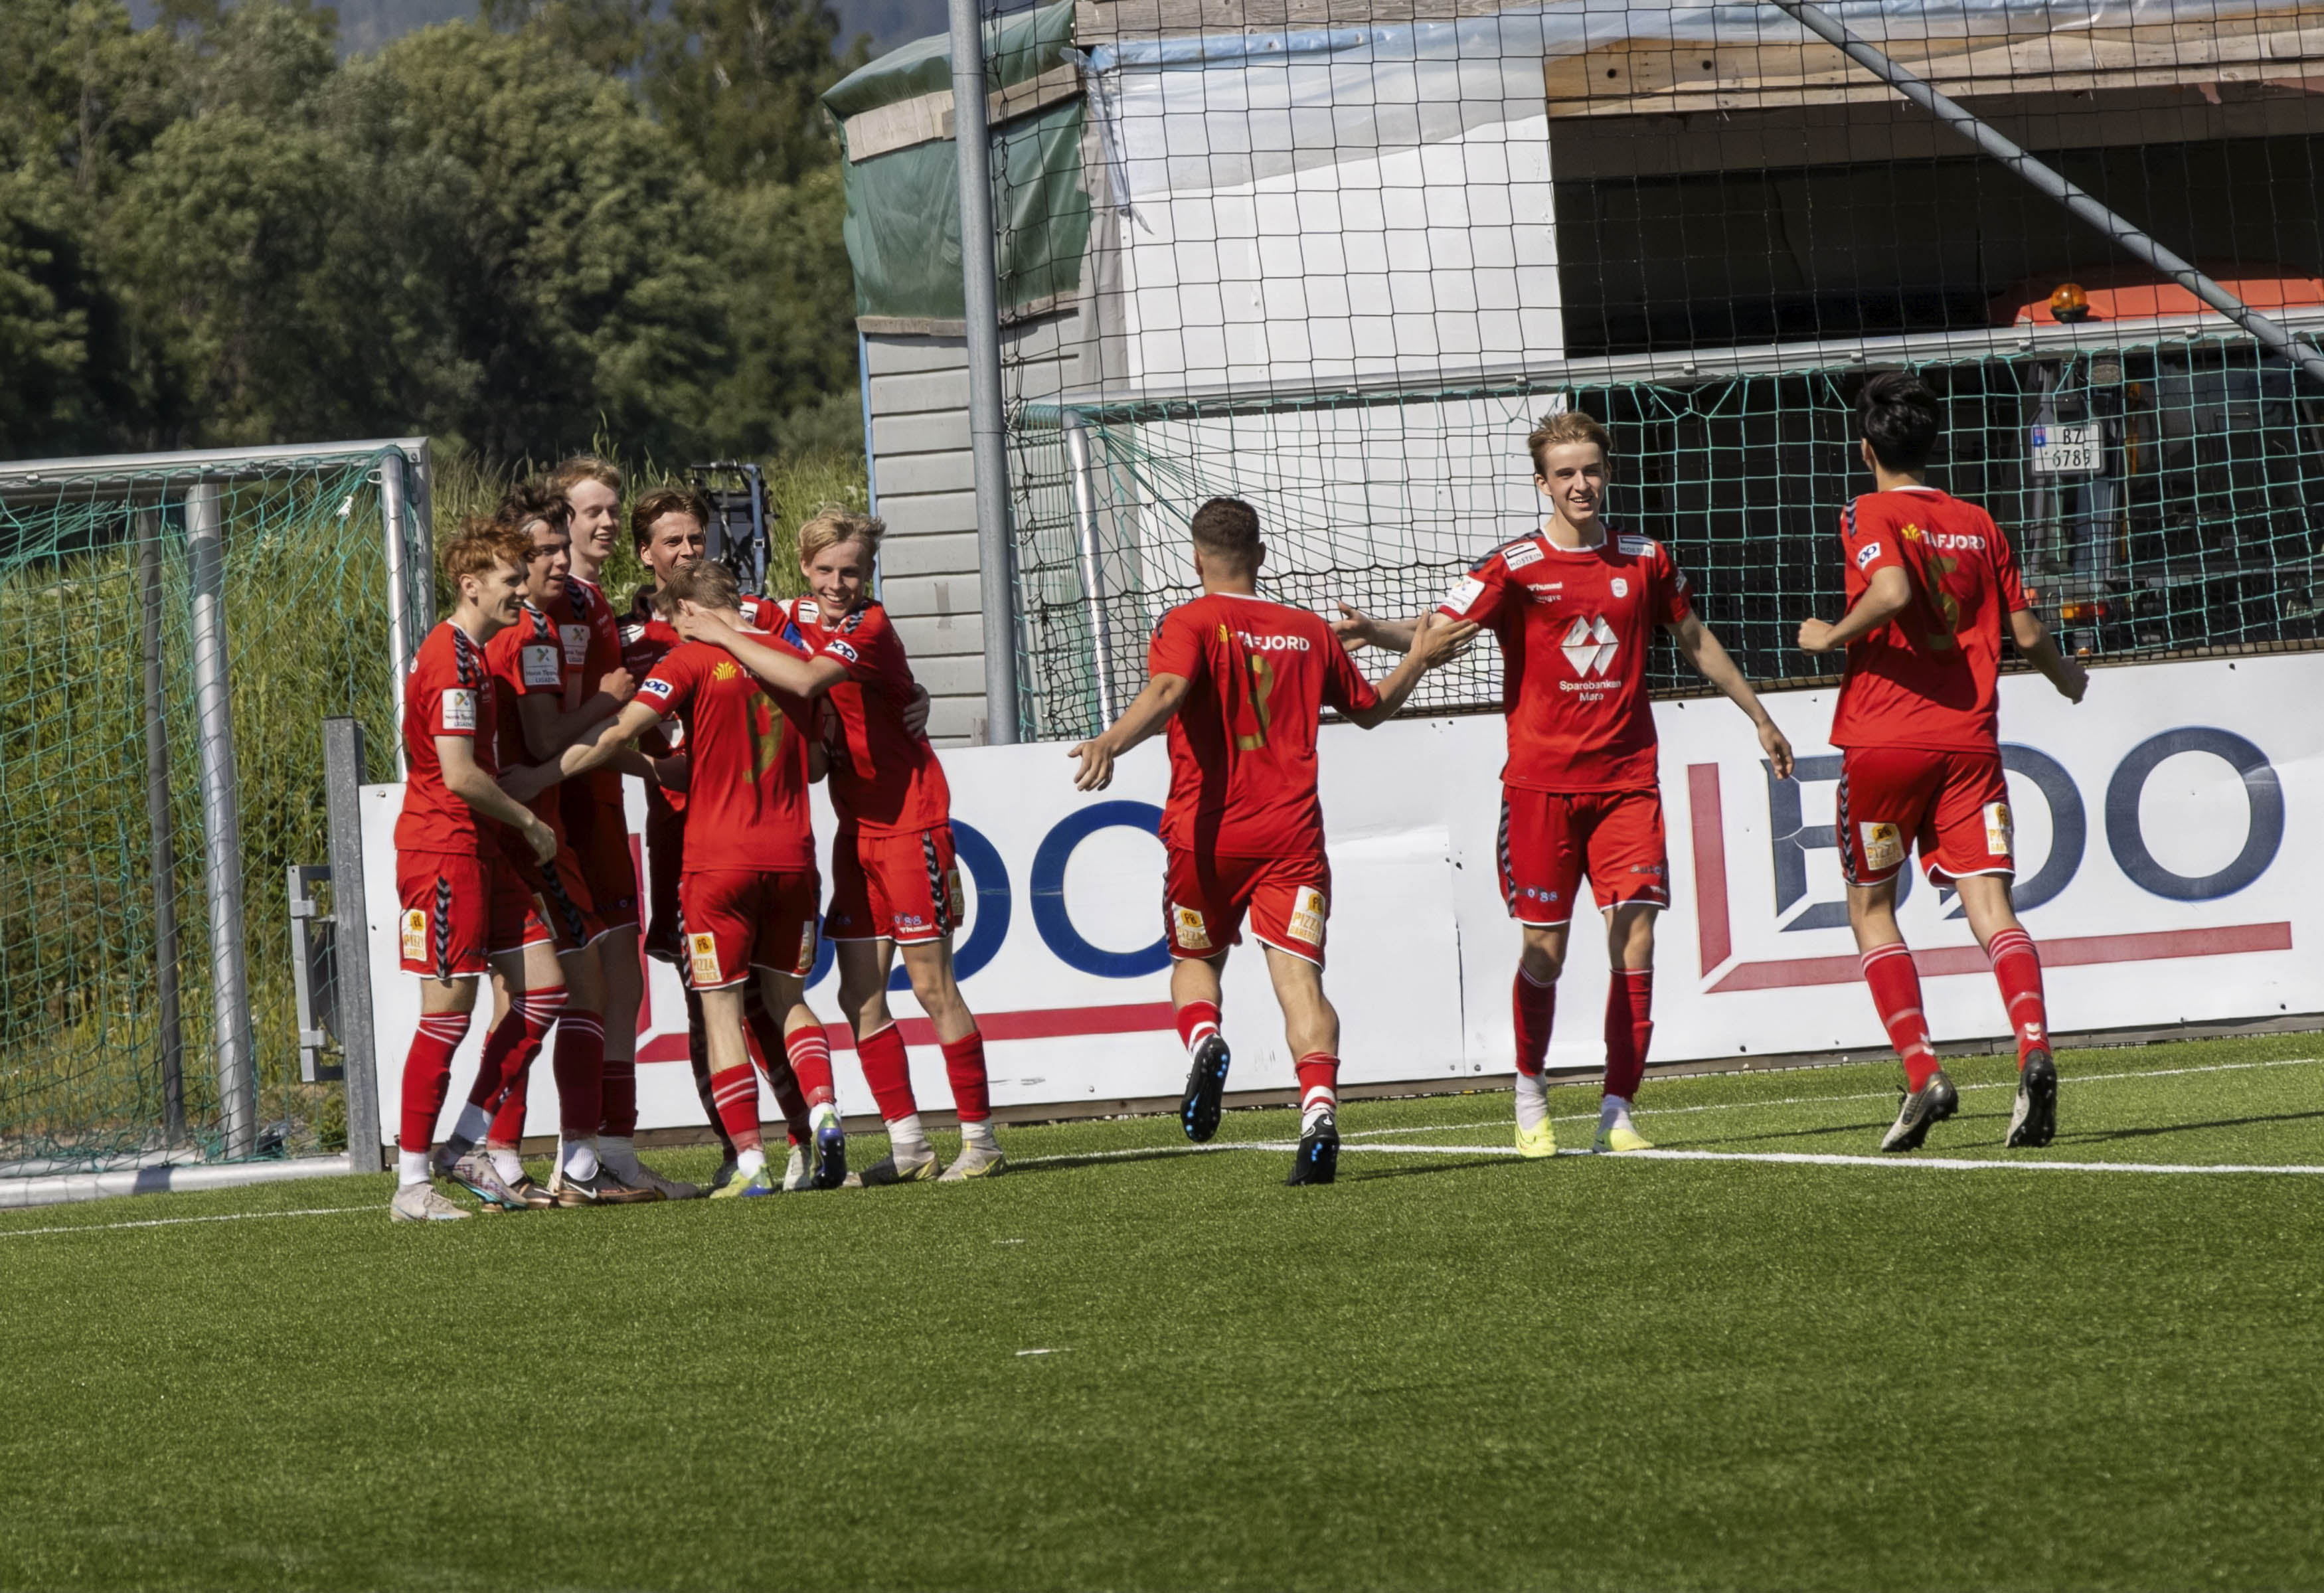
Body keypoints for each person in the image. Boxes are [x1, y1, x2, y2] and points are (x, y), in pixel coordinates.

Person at [1336, 410, 1795, 1159]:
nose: (1579, 484)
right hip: (1538, 791)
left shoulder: (1645, 558)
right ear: (1541, 483)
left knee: (1636, 939)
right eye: (1564, 473)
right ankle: (1528, 1091)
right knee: (1543, 951)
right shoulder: (1515, 564)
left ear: (1606, 473)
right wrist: (1380, 632)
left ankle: (1616, 1109)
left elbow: (1694, 639)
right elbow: (1445, 630)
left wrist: (1758, 716)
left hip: (1625, 784)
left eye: (1589, 469)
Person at [1067, 497, 1477, 1185]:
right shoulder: (1306, 631)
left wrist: (1110, 739)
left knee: (1195, 962)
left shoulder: (1187, 620)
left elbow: (1168, 689)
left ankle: (1205, 1038)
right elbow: (1371, 710)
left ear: (1195, 558)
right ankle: (1317, 1111)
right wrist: (1419, 656)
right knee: (1299, 980)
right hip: (1288, 839)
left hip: (1205, 835)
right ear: (1260, 555)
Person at [1796, 371, 2088, 1151]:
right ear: (1931, 446)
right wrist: (2069, 680)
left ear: (1866, 448)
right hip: (1968, 745)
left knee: (1870, 908)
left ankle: (1923, 1069)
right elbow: (2026, 637)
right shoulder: (1977, 521)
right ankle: (2032, 1049)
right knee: (1992, 908)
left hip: (1886, 745)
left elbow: (1889, 590)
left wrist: (1829, 634)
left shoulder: (1867, 510)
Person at [675, 508, 1003, 1184]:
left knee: (933, 986)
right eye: (825, 569)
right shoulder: (787, 612)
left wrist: (717, 632)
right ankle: (908, 1146)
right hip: (856, 830)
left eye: (850, 570)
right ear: (803, 567)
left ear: (868, 572)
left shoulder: (868, 625)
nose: (837, 583)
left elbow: (801, 680)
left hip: (911, 822)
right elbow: (726, 609)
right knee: (859, 995)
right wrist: (715, 623)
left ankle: (982, 1140)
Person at [530, 558, 849, 1199]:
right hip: (792, 857)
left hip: (716, 863)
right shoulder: (788, 659)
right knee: (789, 999)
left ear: (684, 612)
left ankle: (751, 1162)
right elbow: (817, 763)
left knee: (721, 1010)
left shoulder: (688, 661)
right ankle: (822, 1108)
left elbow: (622, 730)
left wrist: (541, 775)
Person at [467, 484, 665, 1206]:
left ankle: (517, 1155)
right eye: (539, 551)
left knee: (551, 994)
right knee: (561, 992)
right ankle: (542, 1159)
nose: (555, 560)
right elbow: (548, 741)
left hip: (541, 829)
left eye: (557, 547)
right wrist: (612, 698)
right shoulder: (528, 633)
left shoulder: (555, 622)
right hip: (524, 835)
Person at [618, 487, 817, 1189]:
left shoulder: (758, 619)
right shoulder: (629, 639)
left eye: (695, 538)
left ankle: (795, 1142)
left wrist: (900, 700)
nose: (686, 551)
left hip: (748, 836)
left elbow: (825, 673)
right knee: (709, 1001)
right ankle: (741, 1147)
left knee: (754, 999)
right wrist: (644, 763)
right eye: (671, 542)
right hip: (680, 836)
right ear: (644, 554)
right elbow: (607, 715)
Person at [386, 520, 566, 1222]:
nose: (521, 591)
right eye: (510, 579)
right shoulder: (451, 660)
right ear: (471, 584)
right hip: (443, 854)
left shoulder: (473, 655)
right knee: (447, 1013)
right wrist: (527, 820)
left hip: (479, 851)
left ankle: (463, 1143)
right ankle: (409, 1185)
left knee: (543, 990)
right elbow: (458, 773)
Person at [544, 456, 689, 1196]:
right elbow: (564, 727)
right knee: (567, 987)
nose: (604, 520)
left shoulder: (594, 601)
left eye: (611, 509)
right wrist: (653, 767)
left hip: (601, 806)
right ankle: (556, 1155)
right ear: (560, 520)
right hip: (559, 811)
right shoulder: (549, 601)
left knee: (622, 981)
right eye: (590, 510)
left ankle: (614, 1149)